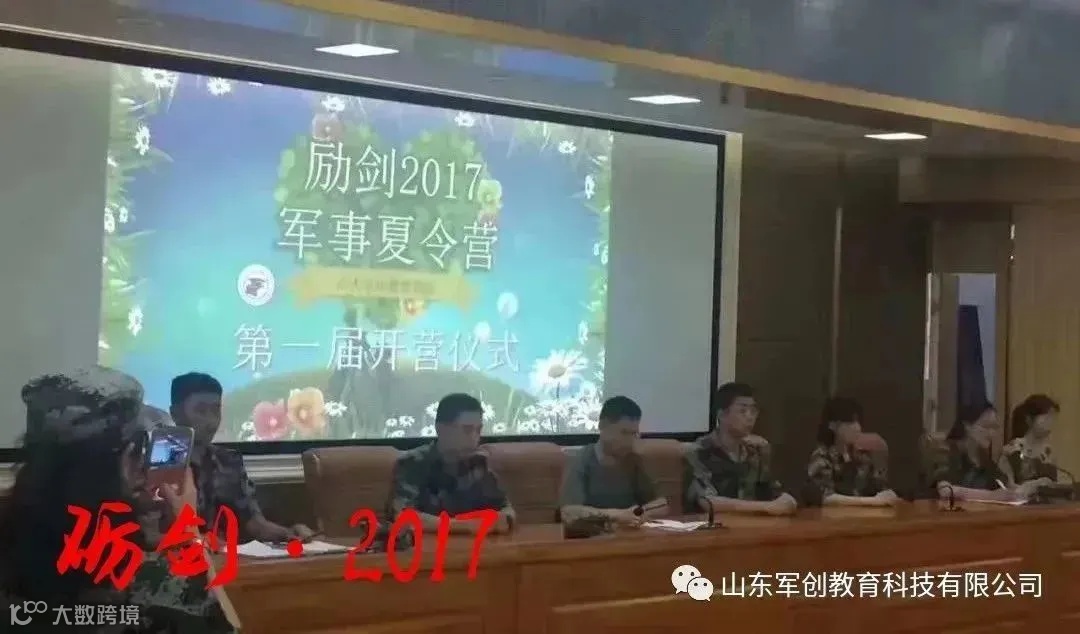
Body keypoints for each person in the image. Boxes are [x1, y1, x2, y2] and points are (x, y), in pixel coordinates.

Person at [0, 367, 240, 633]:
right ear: (128, 460)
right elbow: (226, 627)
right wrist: (188, 532)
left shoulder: (15, 550)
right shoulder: (156, 589)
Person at [169, 372, 314, 543]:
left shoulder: (228, 461)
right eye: (200, 411)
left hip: (223, 554)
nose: (210, 421)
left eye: (215, 410)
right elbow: (150, 535)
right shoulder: (160, 465)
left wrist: (288, 533)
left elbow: (253, 523)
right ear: (176, 414)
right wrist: (197, 540)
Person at [387, 393, 515, 534]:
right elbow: (403, 516)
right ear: (441, 429)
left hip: (476, 545)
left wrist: (503, 519)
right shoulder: (414, 463)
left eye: (478, 430)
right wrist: (464, 526)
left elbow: (506, 509)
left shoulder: (479, 463)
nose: (475, 438)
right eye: (467, 430)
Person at [683, 382, 797, 516]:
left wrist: (786, 500)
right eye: (743, 411)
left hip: (752, 525)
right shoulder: (699, 451)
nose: (750, 417)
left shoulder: (755, 452)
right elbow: (707, 501)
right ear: (722, 415)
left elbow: (773, 492)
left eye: (753, 411)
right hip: (711, 525)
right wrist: (766, 507)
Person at [558, 396, 668, 527]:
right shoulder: (582, 459)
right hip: (594, 535)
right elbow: (568, 512)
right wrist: (616, 515)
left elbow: (662, 505)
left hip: (630, 533)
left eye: (634, 434)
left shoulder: (634, 459)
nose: (630, 441)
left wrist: (640, 513)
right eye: (624, 433)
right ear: (602, 426)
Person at [930, 402, 1042, 503]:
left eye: (994, 428)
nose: (991, 433)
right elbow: (945, 490)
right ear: (967, 426)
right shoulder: (946, 450)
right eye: (986, 427)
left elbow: (1004, 485)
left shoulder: (982, 457)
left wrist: (1028, 488)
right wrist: (992, 496)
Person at [807, 397, 899, 507]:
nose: (857, 428)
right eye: (850, 423)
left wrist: (887, 493)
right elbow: (826, 498)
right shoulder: (821, 456)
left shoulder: (862, 455)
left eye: (858, 422)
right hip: (831, 515)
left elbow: (876, 487)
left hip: (862, 515)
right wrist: (873, 501)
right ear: (832, 425)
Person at [1000, 394, 1060, 486]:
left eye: (1052, 418)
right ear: (1029, 419)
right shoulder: (1012, 450)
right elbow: (1008, 487)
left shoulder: (1048, 452)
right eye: (1046, 418)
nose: (1050, 423)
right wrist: (1035, 485)